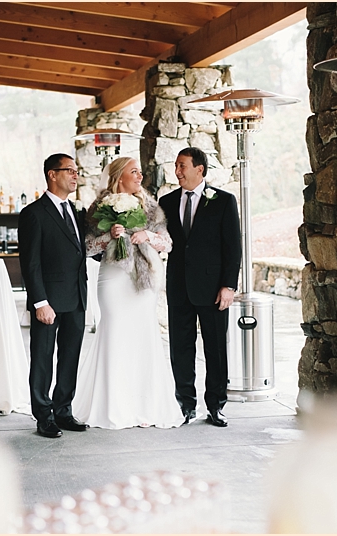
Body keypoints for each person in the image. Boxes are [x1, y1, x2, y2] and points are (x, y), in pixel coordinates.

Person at [73, 157, 185, 429]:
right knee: (114, 332)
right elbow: (87, 247)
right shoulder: (99, 207)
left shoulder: (151, 207)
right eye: (133, 171)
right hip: (113, 280)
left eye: (140, 172)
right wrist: (110, 235)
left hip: (143, 280)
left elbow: (167, 243)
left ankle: (144, 405)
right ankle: (112, 405)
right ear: (118, 176)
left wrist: (148, 236)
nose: (139, 177)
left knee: (142, 335)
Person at [159, 147, 242, 427]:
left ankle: (216, 405)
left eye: (182, 166)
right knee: (181, 348)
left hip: (213, 289)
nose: (178, 171)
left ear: (200, 170)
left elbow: (233, 248)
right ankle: (185, 405)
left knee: (216, 349)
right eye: (176, 166)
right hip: (179, 287)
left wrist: (228, 286)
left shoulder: (223, 201)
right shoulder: (166, 202)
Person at [18, 153, 89, 438]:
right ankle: (43, 415)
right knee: (43, 357)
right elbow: (30, 262)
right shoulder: (33, 214)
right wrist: (40, 302)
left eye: (76, 171)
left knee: (70, 356)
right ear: (52, 174)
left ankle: (63, 410)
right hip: (48, 300)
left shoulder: (77, 211)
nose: (75, 176)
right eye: (70, 170)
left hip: (76, 297)